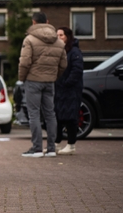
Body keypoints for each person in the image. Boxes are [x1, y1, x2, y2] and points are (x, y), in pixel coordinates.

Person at [18, 12, 67, 158]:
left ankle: (37, 149)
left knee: (34, 114)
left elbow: (25, 62)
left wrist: (22, 78)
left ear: (34, 23)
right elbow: (64, 64)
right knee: (50, 114)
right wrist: (54, 76)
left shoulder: (30, 39)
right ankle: (51, 149)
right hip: (49, 82)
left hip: (33, 80)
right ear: (47, 21)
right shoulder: (59, 42)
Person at [54, 27, 84, 155]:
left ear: (67, 36)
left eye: (61, 35)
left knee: (71, 117)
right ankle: (55, 143)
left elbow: (77, 70)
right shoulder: (59, 51)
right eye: (57, 35)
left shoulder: (74, 51)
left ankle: (71, 145)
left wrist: (67, 83)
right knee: (58, 117)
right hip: (59, 89)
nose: (59, 37)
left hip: (71, 90)